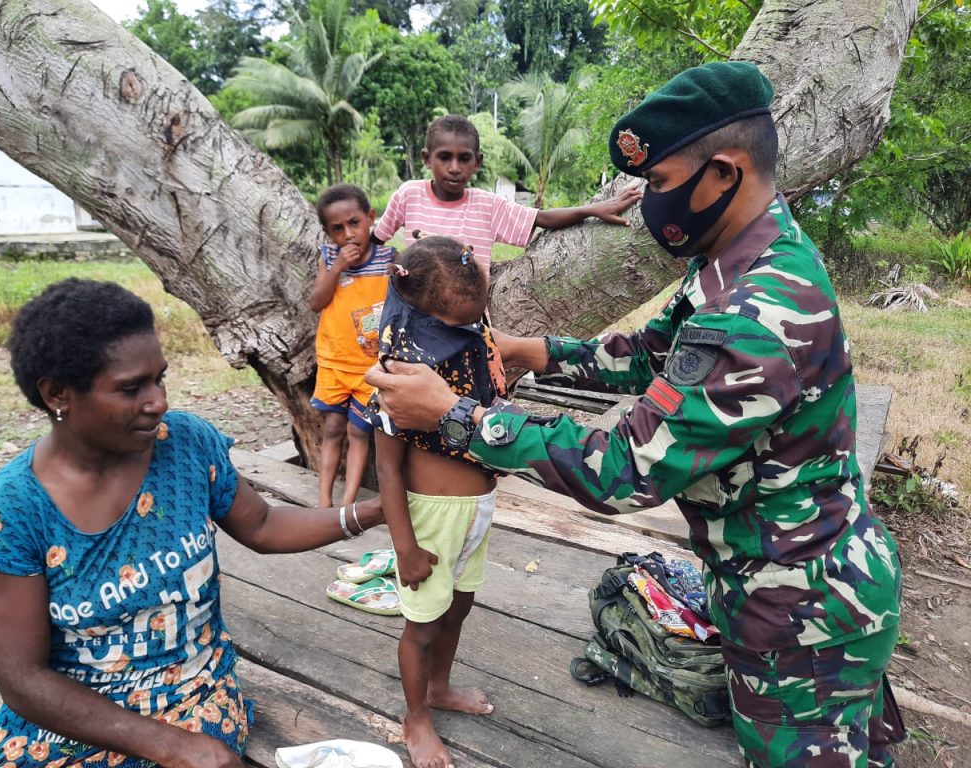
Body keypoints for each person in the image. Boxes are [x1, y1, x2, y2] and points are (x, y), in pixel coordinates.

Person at [366, 62, 904, 768]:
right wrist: (537, 351)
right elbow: (653, 355)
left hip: (803, 608)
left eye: (658, 182)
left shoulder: (757, 312)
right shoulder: (738, 261)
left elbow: (623, 469)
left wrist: (456, 415)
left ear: (723, 173)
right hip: (779, 581)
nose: (650, 202)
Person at [0, 278, 384, 768]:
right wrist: (169, 747)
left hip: (195, 704)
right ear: (57, 394)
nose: (158, 401)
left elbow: (262, 525)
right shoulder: (6, 523)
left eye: (159, 379)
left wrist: (368, 512)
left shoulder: (183, 446)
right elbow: (25, 682)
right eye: (131, 388)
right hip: (71, 732)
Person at [367, 237, 504, 768]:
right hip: (431, 520)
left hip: (478, 513)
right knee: (422, 626)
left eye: (474, 323)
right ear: (419, 322)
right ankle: (416, 717)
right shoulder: (399, 374)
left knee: (460, 606)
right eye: (453, 328)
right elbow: (387, 469)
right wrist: (404, 547)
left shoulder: (472, 349)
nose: (465, 336)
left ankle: (439, 688)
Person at [374, 114, 642, 276]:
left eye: (464, 158)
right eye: (444, 157)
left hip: (465, 327)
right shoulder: (409, 195)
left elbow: (542, 218)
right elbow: (376, 240)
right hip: (414, 320)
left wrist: (592, 209)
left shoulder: (487, 205)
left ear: (477, 162)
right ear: (426, 158)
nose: (454, 168)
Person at [310, 184, 396, 508]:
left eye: (354, 223)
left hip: (370, 369)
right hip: (334, 363)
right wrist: (337, 269)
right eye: (337, 229)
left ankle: (347, 504)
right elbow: (316, 302)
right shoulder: (329, 257)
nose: (348, 234)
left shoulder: (388, 258)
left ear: (370, 218)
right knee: (333, 428)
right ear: (327, 233)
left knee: (359, 432)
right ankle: (323, 502)